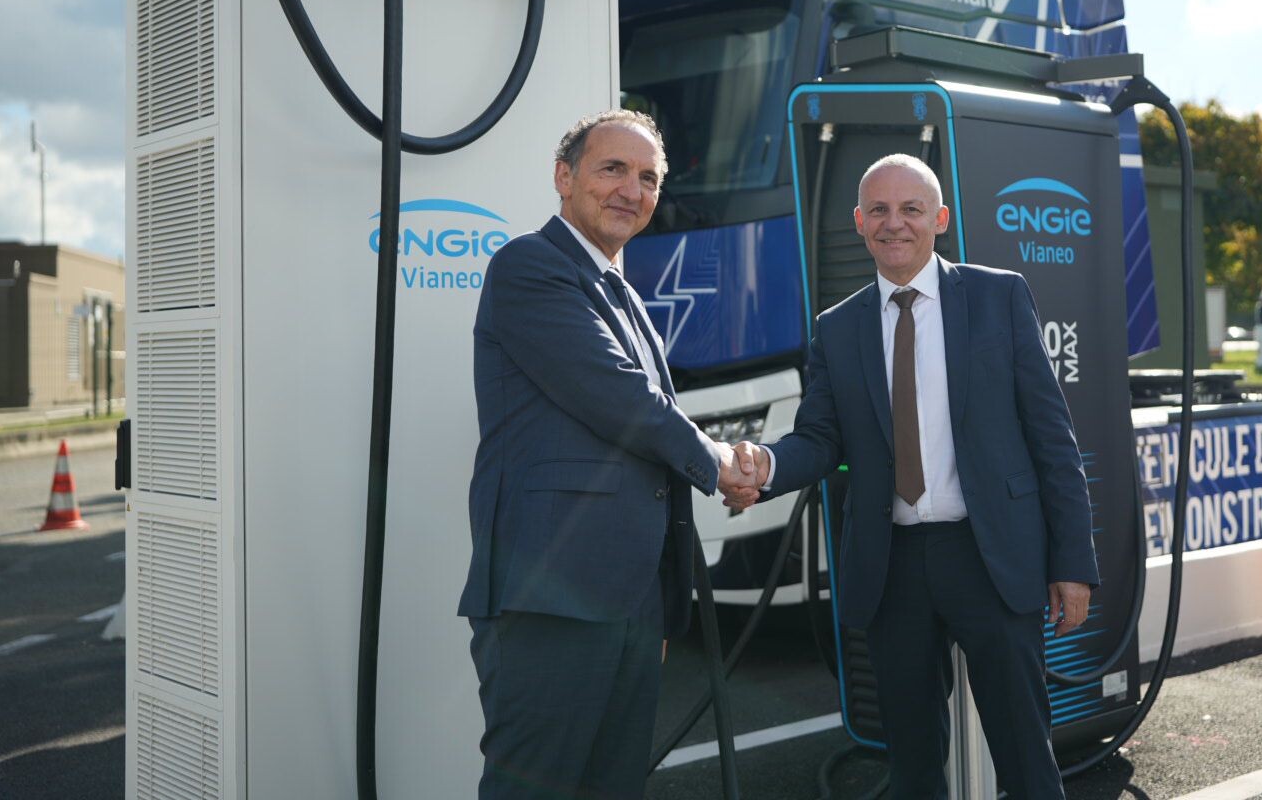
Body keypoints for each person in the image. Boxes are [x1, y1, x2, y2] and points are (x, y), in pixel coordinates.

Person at [723, 154, 1098, 800]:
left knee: (1025, 756)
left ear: (940, 219)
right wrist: (767, 465)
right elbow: (818, 440)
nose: (894, 223)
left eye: (911, 209)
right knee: (913, 764)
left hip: (990, 559)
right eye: (880, 211)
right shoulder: (837, 329)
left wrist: (1073, 561)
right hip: (891, 567)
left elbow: (1051, 438)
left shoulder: (997, 297)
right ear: (859, 223)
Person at [460, 109, 758, 800]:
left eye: (648, 178)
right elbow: (620, 400)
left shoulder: (619, 288)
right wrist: (719, 462)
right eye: (613, 169)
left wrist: (650, 603)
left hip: (624, 604)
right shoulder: (530, 266)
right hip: (553, 600)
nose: (632, 189)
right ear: (564, 177)